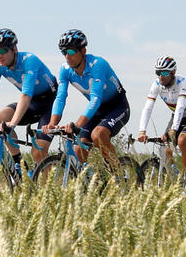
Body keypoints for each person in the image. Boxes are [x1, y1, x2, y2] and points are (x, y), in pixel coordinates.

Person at [0, 29, 58, 178]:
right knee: (1, 118)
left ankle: (46, 189)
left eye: (3, 50)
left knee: (38, 152)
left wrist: (13, 122)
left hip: (49, 103)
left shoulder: (29, 60)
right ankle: (20, 165)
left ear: (14, 49)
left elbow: (25, 95)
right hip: (32, 102)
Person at [45, 29, 129, 167]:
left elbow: (96, 98)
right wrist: (52, 123)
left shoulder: (98, 64)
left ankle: (118, 173)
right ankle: (89, 179)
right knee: (79, 148)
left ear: (83, 51)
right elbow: (60, 97)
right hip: (98, 111)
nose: (67, 56)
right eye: (64, 52)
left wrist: (78, 124)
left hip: (118, 107)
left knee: (98, 135)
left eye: (71, 51)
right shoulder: (65, 69)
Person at [136, 56, 186, 175]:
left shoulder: (183, 83)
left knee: (182, 140)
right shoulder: (156, 84)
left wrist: (174, 129)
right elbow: (148, 108)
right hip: (176, 115)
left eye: (164, 72)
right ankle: (175, 174)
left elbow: (180, 107)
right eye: (158, 72)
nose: (160, 76)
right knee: (165, 146)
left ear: (173, 72)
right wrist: (142, 131)